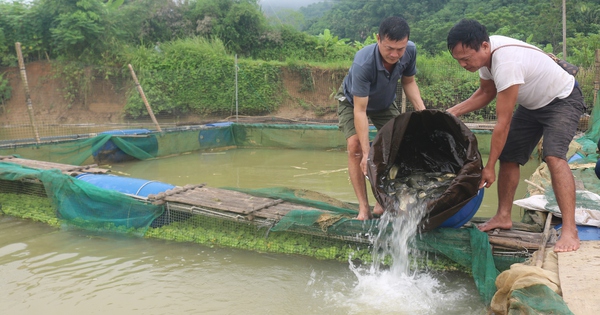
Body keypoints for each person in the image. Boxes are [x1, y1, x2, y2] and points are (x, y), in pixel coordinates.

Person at [446, 19, 585, 252]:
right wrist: (451, 113)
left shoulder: (506, 62)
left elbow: (503, 122)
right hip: (532, 105)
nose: (462, 64)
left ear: (484, 46)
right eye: (458, 60)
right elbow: (486, 92)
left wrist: (488, 167)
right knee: (509, 156)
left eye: (466, 59)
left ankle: (570, 230)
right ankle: (503, 215)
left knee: (553, 156)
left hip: (562, 99)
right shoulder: (485, 58)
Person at [336, 16, 426, 220]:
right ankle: (363, 208)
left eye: (400, 49)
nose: (394, 54)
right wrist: (367, 153)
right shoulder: (363, 62)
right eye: (389, 48)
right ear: (378, 39)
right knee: (355, 147)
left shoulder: (410, 50)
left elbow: (409, 82)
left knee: (400, 144)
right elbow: (360, 111)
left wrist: (423, 113)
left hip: (383, 103)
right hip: (353, 103)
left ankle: (382, 202)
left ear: (407, 42)